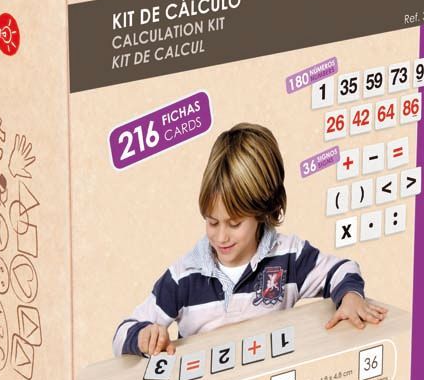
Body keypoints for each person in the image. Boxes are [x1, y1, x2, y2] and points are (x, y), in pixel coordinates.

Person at [113, 123, 387, 357]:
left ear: (263, 212)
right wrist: (144, 336)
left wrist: (351, 297)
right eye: (212, 222)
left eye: (234, 224)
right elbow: (122, 333)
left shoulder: (289, 257)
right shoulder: (183, 277)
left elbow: (342, 270)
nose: (221, 236)